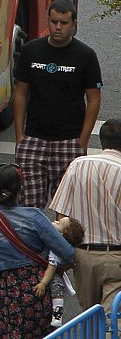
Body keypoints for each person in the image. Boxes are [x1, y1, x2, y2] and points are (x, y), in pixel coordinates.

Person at [0, 163, 76, 338]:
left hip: (0, 294)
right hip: (34, 290)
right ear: (21, 188)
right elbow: (67, 253)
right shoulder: (34, 217)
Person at [14, 0, 103, 208]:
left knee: (66, 209)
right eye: (54, 21)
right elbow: (20, 93)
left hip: (69, 141)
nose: (58, 27)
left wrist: (82, 141)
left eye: (63, 23)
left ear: (74, 24)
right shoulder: (31, 51)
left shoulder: (86, 56)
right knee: (28, 207)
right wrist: (19, 136)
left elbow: (94, 99)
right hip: (33, 139)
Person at [50, 120, 121, 310]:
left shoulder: (78, 165)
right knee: (113, 317)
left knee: (89, 314)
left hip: (83, 256)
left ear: (102, 141)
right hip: (116, 258)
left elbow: (61, 215)